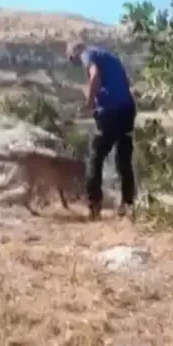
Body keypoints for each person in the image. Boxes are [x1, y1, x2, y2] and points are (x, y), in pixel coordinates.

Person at [66, 40, 136, 220]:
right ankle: (127, 205)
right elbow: (125, 81)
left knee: (95, 158)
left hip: (110, 112)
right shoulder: (108, 56)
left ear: (75, 51)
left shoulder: (88, 54)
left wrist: (90, 104)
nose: (74, 63)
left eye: (71, 59)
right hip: (127, 109)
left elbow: (95, 76)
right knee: (124, 159)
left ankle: (94, 206)